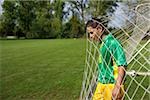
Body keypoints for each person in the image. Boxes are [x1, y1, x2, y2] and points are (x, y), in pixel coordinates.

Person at [86, 18, 127, 100]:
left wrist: (117, 86)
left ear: (99, 29)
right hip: (102, 84)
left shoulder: (112, 42)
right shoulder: (103, 43)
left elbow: (122, 64)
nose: (90, 36)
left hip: (112, 85)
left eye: (91, 32)